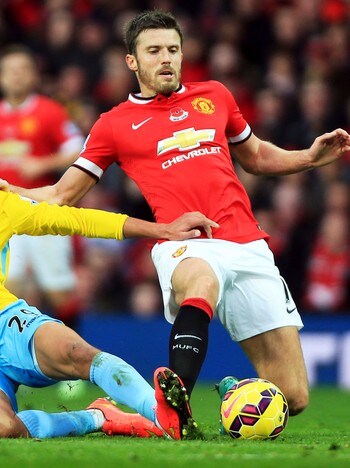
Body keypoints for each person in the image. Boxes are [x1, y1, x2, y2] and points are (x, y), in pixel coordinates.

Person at [3, 10, 350, 424]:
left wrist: (309, 158)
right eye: (154, 51)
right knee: (199, 279)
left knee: (293, 397)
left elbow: (255, 156)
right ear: (132, 60)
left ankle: (229, 392)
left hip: (248, 244)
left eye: (173, 49)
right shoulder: (114, 124)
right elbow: (61, 194)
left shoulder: (215, 95)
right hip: (184, 239)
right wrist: (13, 189)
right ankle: (175, 405)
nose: (166, 58)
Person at [0, 186, 218, 439]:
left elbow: (79, 220)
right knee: (5, 428)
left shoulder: (4, 205)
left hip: (6, 321)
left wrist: (163, 230)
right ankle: (96, 417)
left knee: (78, 353)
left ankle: (165, 415)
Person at [0, 45, 85, 328]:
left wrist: (42, 164)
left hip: (41, 211)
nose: (16, 76)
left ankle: (77, 358)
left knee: (58, 290)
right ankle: (19, 360)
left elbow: (79, 148)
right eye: (10, 70)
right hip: (5, 215)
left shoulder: (49, 112)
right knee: (9, 289)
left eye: (23, 69)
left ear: (33, 75)